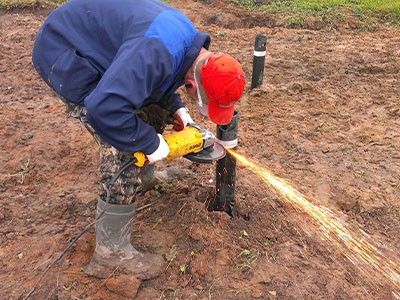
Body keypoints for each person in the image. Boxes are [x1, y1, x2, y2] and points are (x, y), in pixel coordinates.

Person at [32, 0, 245, 280]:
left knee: (149, 110)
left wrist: (176, 107)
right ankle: (111, 253)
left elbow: (155, 73)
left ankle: (142, 180)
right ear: (194, 83)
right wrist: (152, 143)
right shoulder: (156, 49)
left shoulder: (185, 42)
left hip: (95, 42)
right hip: (64, 50)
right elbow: (104, 108)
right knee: (122, 140)